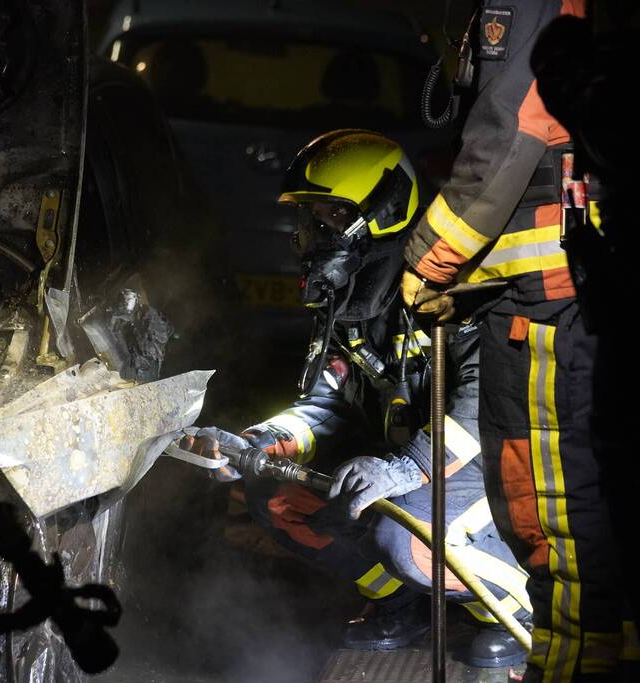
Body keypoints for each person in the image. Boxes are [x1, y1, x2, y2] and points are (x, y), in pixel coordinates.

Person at [184, 129, 530, 667]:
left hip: (494, 468)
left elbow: (485, 402)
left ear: (384, 211)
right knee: (273, 495)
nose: (306, 236)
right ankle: (401, 604)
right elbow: (328, 404)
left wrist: (407, 467)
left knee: (401, 534)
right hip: (412, 466)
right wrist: (264, 443)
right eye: (306, 219)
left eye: (325, 218)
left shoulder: (453, 286)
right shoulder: (354, 303)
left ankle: (519, 607)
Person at [400, 1, 630, 680]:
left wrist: (426, 262)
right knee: (593, 496)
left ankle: (571, 667)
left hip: (547, 298)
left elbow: (509, 132)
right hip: (575, 286)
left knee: (554, 503)